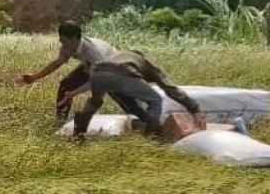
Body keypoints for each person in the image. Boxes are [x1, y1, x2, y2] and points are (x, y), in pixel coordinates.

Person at [58, 49, 203, 140]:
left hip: (96, 72)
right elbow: (170, 88)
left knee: (95, 102)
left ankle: (78, 134)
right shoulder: (144, 63)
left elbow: (130, 104)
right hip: (121, 72)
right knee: (155, 100)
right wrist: (194, 108)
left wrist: (143, 117)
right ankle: (152, 137)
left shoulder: (120, 55)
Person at [18, 21, 128, 122]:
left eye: (63, 39)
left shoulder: (93, 51)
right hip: (90, 65)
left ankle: (140, 117)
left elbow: (99, 80)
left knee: (116, 94)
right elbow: (56, 64)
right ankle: (60, 120)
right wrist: (34, 77)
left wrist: (74, 93)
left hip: (112, 67)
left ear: (74, 39)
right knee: (66, 84)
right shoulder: (68, 47)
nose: (60, 42)